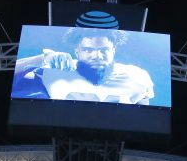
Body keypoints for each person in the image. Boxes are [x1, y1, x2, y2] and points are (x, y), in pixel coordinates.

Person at [12, 28, 155, 104]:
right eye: (88, 50)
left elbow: (144, 116)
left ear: (113, 51)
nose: (97, 56)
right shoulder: (55, 71)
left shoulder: (138, 76)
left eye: (104, 50)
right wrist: (42, 59)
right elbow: (12, 80)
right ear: (77, 52)